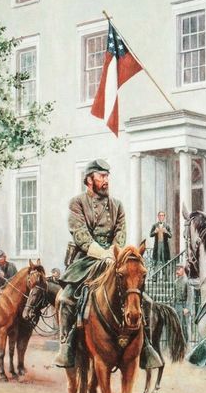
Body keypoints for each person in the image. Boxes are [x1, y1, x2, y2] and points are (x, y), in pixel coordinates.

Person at [54, 158, 162, 370]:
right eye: (101, 176)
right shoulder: (77, 203)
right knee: (66, 298)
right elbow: (80, 234)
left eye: (107, 176)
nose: (105, 180)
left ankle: (146, 346)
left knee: (145, 300)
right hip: (86, 259)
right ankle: (66, 346)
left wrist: (114, 253)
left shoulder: (117, 206)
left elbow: (121, 233)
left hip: (114, 257)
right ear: (89, 180)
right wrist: (100, 252)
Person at [174, 264, 191, 344]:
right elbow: (174, 295)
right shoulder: (176, 282)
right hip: (177, 305)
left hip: (184, 306)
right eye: (176, 269)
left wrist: (187, 308)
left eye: (179, 269)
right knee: (177, 325)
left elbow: (190, 296)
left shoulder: (187, 281)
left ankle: (185, 343)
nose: (177, 271)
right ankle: (178, 343)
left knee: (184, 326)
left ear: (183, 270)